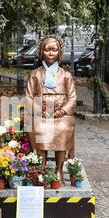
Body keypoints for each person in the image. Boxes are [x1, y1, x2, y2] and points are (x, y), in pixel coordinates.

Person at [25, 36, 77, 186]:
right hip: (41, 115)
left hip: (61, 115)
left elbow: (72, 98)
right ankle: (42, 171)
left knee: (63, 128)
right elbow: (28, 97)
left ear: (59, 52)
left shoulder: (66, 76)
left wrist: (63, 111)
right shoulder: (34, 74)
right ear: (41, 52)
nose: (51, 53)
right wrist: (39, 110)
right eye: (47, 50)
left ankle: (58, 172)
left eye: (54, 50)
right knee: (40, 128)